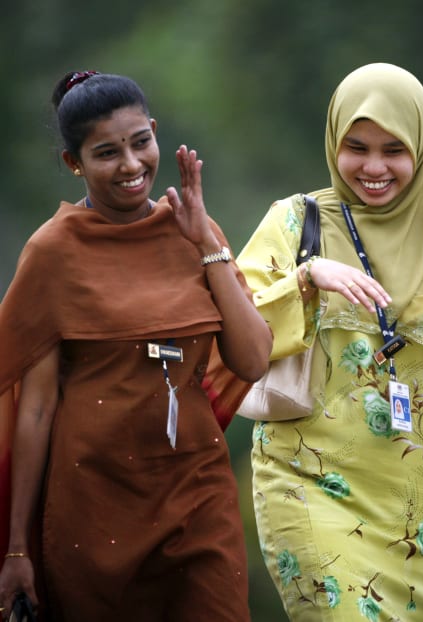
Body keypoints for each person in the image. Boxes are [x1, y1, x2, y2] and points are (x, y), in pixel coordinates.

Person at [237, 63, 423, 621]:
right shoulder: (295, 222)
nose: (373, 167)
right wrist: (306, 278)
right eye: (357, 147)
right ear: (333, 142)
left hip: (422, 511)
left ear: (421, 147)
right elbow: (236, 331)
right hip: (310, 484)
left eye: (393, 149)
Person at [0, 71, 272, 621]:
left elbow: (253, 360)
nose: (130, 165)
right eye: (106, 153)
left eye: (139, 142)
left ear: (154, 131)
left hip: (197, 492)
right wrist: (16, 548)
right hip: (92, 505)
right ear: (73, 163)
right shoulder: (53, 252)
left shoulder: (196, 229)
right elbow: (35, 409)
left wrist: (204, 243)